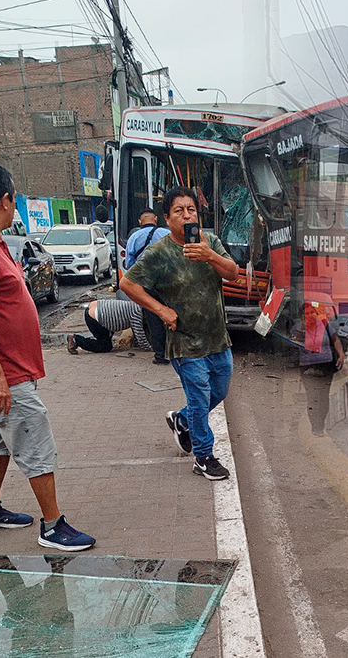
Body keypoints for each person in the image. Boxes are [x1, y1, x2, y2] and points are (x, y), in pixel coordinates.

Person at [0, 162, 95, 551]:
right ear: (5, 199)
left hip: (13, 369)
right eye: (15, 198)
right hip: (6, 373)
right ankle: (53, 525)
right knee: (34, 437)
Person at [120, 187, 239, 481]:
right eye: (179, 211)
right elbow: (128, 284)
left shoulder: (209, 241)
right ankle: (203, 457)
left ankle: (181, 419)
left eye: (191, 210)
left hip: (217, 338)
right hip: (185, 342)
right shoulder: (159, 253)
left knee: (219, 392)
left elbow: (233, 272)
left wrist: (210, 256)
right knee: (200, 399)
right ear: (167, 218)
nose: (187, 215)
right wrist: (161, 310)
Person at [123, 210, 170, 363]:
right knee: (172, 315)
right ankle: (176, 352)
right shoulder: (167, 233)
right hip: (168, 282)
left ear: (139, 221)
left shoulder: (133, 237)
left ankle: (160, 355)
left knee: (154, 318)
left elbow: (130, 265)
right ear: (156, 219)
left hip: (146, 284)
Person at [292, 302, 344, 437]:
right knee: (313, 397)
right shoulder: (297, 328)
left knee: (323, 397)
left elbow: (335, 340)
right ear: (301, 317)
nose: (309, 315)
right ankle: (316, 427)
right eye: (306, 314)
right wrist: (302, 328)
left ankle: (321, 424)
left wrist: (341, 355)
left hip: (326, 364)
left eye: (311, 312)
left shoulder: (324, 325)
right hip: (307, 366)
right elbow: (294, 343)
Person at [66, 299, 152, 354]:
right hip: (95, 317)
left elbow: (137, 332)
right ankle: (76, 339)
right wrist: (151, 349)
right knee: (105, 346)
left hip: (97, 306)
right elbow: (140, 336)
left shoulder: (137, 305)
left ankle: (76, 339)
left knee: (106, 339)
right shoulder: (137, 314)